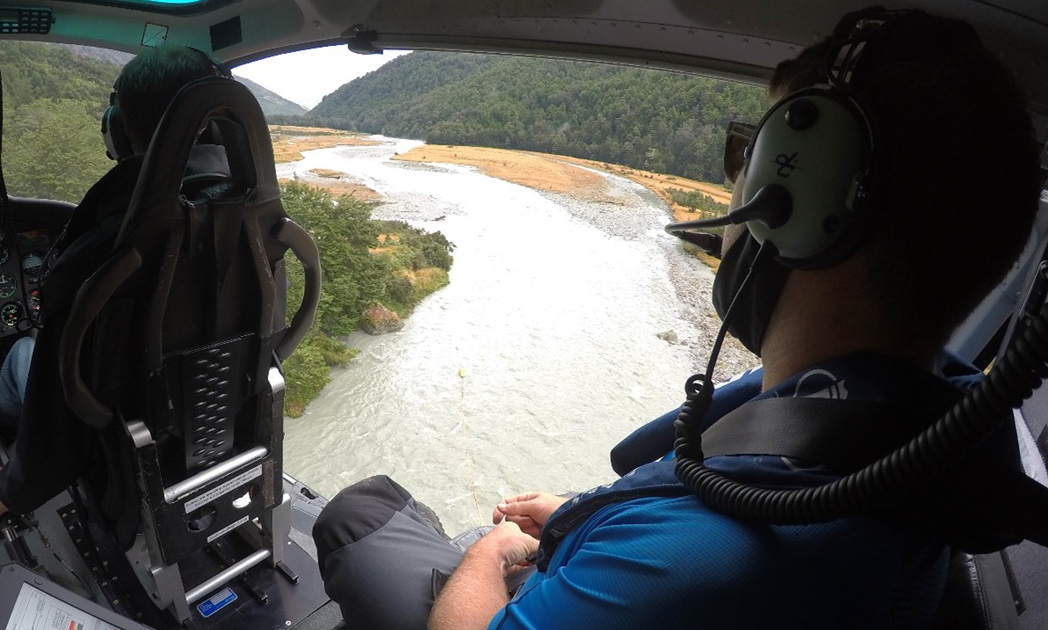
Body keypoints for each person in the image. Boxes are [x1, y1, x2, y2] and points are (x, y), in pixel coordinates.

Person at [312, 8, 1042, 629]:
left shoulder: (701, 561)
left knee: (357, 516)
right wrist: (581, 512)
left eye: (742, 161)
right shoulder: (919, 414)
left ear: (799, 207)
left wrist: (492, 553)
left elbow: (686, 559)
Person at [0, 44, 235, 531]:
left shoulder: (105, 248)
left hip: (120, 447)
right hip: (220, 423)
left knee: (22, 355)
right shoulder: (259, 220)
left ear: (117, 131)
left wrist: (9, 486)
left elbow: (61, 401)